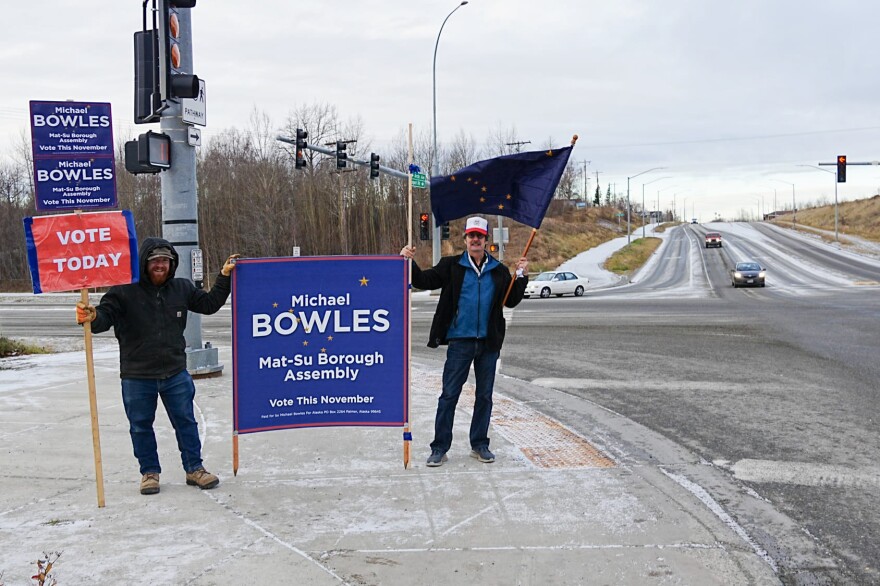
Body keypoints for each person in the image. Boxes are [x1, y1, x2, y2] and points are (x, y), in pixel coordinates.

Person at [76, 237, 239, 495]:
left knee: (186, 422)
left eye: (165, 260)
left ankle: (194, 469)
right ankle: (149, 472)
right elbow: (104, 318)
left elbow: (209, 304)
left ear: (171, 263)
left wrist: (224, 277)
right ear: (144, 263)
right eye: (155, 261)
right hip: (137, 375)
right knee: (140, 426)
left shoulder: (181, 288)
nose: (160, 265)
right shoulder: (123, 290)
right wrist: (92, 316)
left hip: (175, 372)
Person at [400, 216, 528, 467]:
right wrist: (408, 261)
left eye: (480, 235)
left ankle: (480, 445)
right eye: (471, 235)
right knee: (449, 395)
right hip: (460, 342)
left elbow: (510, 300)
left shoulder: (499, 270)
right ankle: (439, 448)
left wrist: (521, 275)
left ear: (486, 239)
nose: (475, 239)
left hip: (488, 344)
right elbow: (423, 281)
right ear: (465, 239)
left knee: (484, 397)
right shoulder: (452, 266)